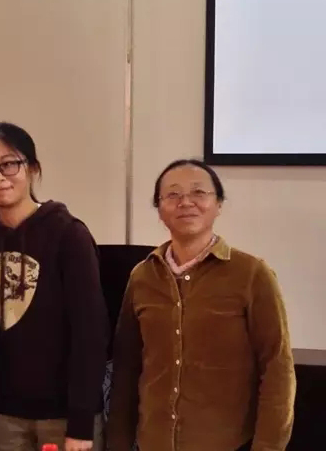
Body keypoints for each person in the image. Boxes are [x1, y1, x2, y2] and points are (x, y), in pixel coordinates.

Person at [107, 158, 296, 451]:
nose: (186, 202)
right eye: (173, 194)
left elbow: (277, 368)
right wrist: (118, 442)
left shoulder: (252, 274)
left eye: (198, 192)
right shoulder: (142, 277)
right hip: (152, 442)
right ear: (159, 209)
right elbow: (127, 368)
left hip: (227, 443)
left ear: (218, 204)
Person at [0, 122, 109, 451]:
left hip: (64, 416)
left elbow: (90, 333)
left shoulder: (68, 235)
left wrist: (81, 424)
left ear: (33, 169)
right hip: (3, 412)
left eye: (9, 164)